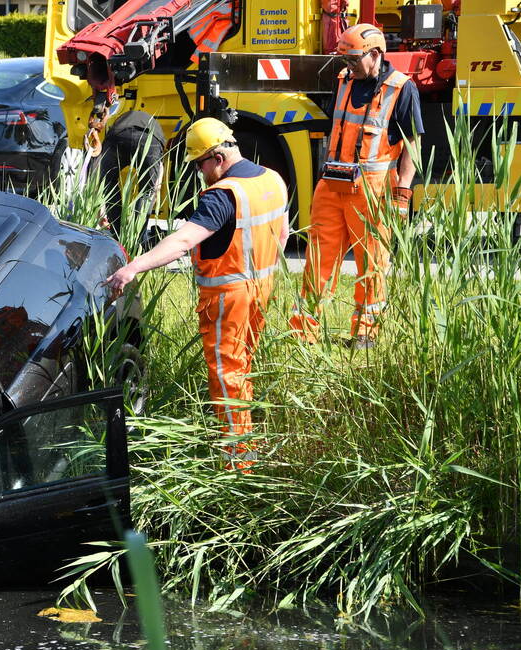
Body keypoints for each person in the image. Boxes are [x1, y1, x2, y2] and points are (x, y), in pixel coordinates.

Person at [105, 118, 288, 468]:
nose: (200, 172)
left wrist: (133, 267)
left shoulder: (223, 194)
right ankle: (247, 439)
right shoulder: (272, 180)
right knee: (242, 367)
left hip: (228, 298)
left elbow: (183, 240)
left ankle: (238, 460)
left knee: (226, 374)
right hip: (261, 291)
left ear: (217, 157)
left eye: (199, 163)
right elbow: (282, 236)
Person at [289, 23, 423, 350]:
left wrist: (403, 193)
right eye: (344, 60)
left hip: (373, 192)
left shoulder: (401, 88)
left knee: (372, 264)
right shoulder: (344, 81)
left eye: (352, 59)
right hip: (332, 187)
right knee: (317, 261)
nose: (346, 66)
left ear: (375, 54)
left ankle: (365, 334)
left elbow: (413, 144)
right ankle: (303, 331)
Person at [94, 110, 166, 241]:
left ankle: (117, 232)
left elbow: (100, 177)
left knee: (108, 181)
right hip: (149, 138)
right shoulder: (157, 129)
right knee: (148, 191)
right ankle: (136, 238)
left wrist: (100, 214)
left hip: (118, 134)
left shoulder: (119, 119)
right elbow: (156, 186)